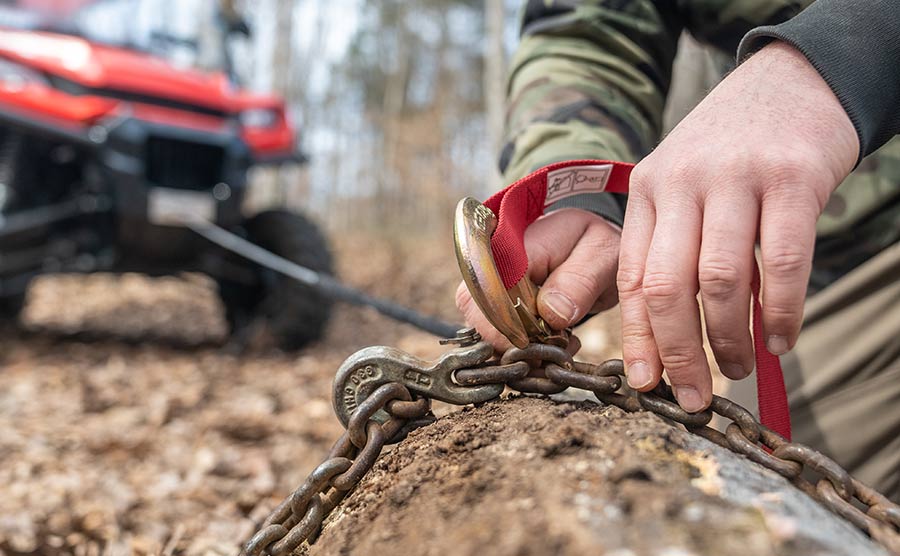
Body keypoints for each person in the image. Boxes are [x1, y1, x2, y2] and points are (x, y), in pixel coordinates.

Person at [457, 0, 900, 501]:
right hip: (837, 253)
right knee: (787, 494)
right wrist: (577, 187)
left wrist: (839, 57)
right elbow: (592, 29)